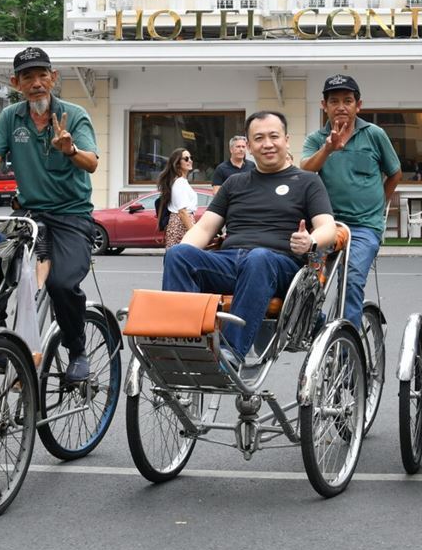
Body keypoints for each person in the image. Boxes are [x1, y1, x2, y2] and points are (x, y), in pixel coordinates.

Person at [163, 110, 337, 368]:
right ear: (249, 146)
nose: (267, 144)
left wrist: (310, 240)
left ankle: (230, 354)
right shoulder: (234, 183)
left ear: (286, 140)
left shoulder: (307, 181)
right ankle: (185, 345)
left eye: (274, 136)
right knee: (178, 254)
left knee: (258, 258)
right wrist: (182, 255)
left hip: (279, 267)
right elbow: (204, 229)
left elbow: (328, 227)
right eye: (259, 138)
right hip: (231, 262)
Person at [0, 47, 99, 384]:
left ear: (53, 78)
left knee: (61, 283)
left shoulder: (74, 115)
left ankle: (77, 351)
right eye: (28, 77)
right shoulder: (11, 117)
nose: (37, 83)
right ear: (16, 83)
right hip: (29, 215)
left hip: (72, 216)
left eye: (43, 75)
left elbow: (92, 163)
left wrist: (70, 149)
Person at [300, 73, 402, 328]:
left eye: (348, 100)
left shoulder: (374, 134)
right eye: (334, 101)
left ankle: (347, 345)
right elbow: (305, 171)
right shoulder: (316, 139)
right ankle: (320, 330)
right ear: (324, 106)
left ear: (359, 105)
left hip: (365, 227)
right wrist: (328, 149)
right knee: (308, 282)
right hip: (327, 226)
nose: (341, 106)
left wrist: (379, 207)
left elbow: (395, 173)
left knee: (351, 280)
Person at [155, 147, 198, 248]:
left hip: (182, 223)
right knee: (182, 255)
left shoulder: (182, 181)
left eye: (191, 158)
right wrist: (194, 234)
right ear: (177, 163)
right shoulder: (179, 182)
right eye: (186, 159)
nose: (190, 161)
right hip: (181, 224)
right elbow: (182, 212)